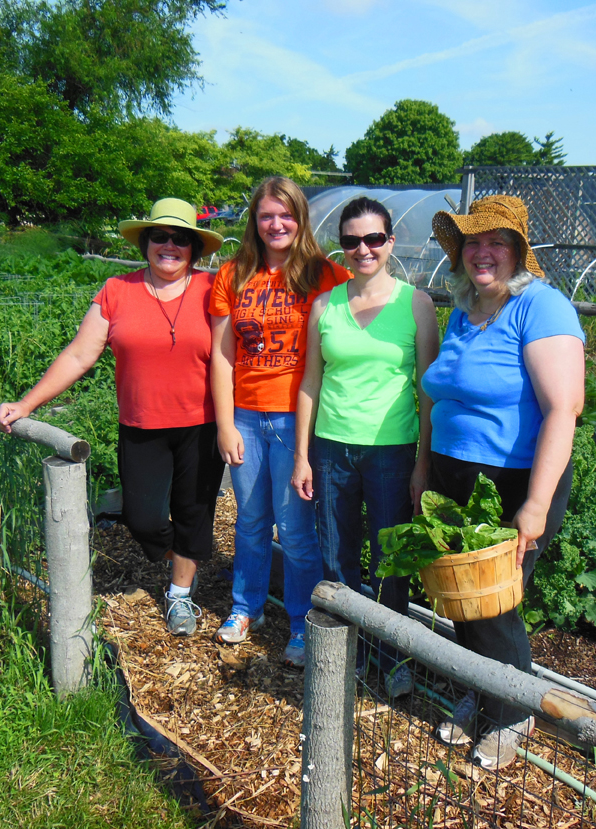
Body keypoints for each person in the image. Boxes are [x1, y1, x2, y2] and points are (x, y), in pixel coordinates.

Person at [0, 198, 226, 637]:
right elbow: (81, 354)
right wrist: (27, 404)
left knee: (194, 513)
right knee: (143, 519)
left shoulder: (213, 288)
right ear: (146, 243)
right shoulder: (117, 290)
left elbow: (230, 356)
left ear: (194, 248)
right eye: (160, 236)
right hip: (141, 427)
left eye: (181, 239)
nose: (170, 246)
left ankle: (179, 595)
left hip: (202, 425)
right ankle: (182, 553)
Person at [422, 195, 585, 770]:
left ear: (518, 253)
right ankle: (482, 689)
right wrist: (425, 470)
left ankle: (513, 711)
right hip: (453, 474)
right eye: (472, 242)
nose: (481, 252)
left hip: (511, 482)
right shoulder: (465, 310)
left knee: (494, 602)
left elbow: (564, 409)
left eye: (495, 242)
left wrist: (537, 504)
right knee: (462, 596)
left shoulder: (542, 308)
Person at [290, 196, 439, 697]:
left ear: (390, 242)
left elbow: (427, 391)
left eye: (373, 239)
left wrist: (423, 464)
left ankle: (392, 655)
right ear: (342, 248)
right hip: (332, 448)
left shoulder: (415, 304)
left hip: (392, 452)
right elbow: (310, 382)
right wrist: (302, 455)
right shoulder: (324, 305)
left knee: (390, 560)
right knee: (336, 556)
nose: (363, 249)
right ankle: (346, 652)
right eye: (351, 241)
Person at [210, 176, 351, 668]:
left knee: (294, 528)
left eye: (286, 214)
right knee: (249, 520)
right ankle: (246, 607)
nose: (276, 224)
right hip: (246, 416)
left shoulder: (325, 274)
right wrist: (224, 423)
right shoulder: (233, 275)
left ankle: (299, 620)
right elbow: (222, 356)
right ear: (255, 220)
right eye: (267, 215)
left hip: (299, 420)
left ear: (301, 219)